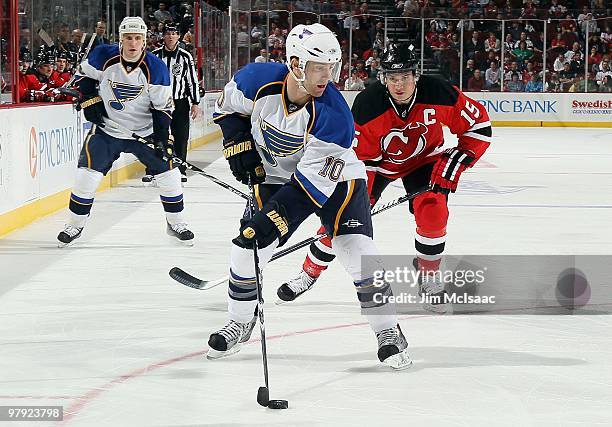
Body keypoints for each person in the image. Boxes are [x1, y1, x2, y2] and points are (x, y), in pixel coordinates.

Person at [208, 23, 411, 370]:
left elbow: (309, 190)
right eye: (319, 67)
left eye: (332, 68)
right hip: (274, 176)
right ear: (296, 64)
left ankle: (388, 329)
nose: (326, 77)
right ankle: (239, 321)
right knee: (246, 246)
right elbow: (228, 110)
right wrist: (236, 141)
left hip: (336, 180)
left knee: (356, 250)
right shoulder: (254, 80)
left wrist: (274, 219)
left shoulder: (335, 118)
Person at [276, 43, 491, 315]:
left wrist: (454, 163)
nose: (398, 84)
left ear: (416, 75)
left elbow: (479, 126)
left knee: (434, 211)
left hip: (423, 161)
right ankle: (309, 273)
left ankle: (428, 275)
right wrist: (327, 189)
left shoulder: (439, 92)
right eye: (392, 78)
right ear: (384, 79)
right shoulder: (368, 105)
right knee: (343, 219)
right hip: (372, 164)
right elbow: (346, 152)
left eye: (404, 77)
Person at [56, 16, 194, 246]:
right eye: (128, 38)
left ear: (144, 41)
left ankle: (176, 222)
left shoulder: (157, 69)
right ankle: (75, 225)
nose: (132, 43)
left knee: (169, 176)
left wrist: (161, 139)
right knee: (85, 178)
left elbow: (163, 109)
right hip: (108, 130)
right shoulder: (102, 55)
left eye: (137, 38)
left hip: (145, 131)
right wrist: (90, 101)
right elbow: (83, 80)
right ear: (120, 39)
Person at [142, 25, 200, 184]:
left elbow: (192, 81)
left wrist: (195, 102)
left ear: (178, 37)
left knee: (181, 136)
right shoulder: (154, 56)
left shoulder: (185, 56)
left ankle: (179, 169)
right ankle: (153, 170)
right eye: (168, 34)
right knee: (156, 136)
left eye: (174, 34)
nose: (170, 37)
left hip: (180, 102)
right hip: (159, 102)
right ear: (163, 36)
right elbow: (146, 80)